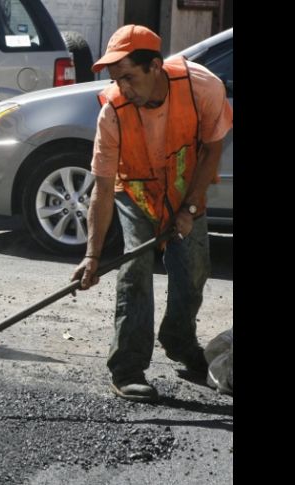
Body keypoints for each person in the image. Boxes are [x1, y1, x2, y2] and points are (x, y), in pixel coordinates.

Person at [70, 25, 233, 403]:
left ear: (156, 66)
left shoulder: (202, 88)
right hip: (136, 192)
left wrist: (190, 207)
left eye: (128, 77)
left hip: (184, 188)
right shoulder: (112, 111)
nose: (122, 87)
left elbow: (212, 150)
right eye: (116, 79)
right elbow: (102, 185)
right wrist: (92, 255)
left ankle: (178, 342)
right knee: (135, 268)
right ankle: (127, 368)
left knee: (193, 270)